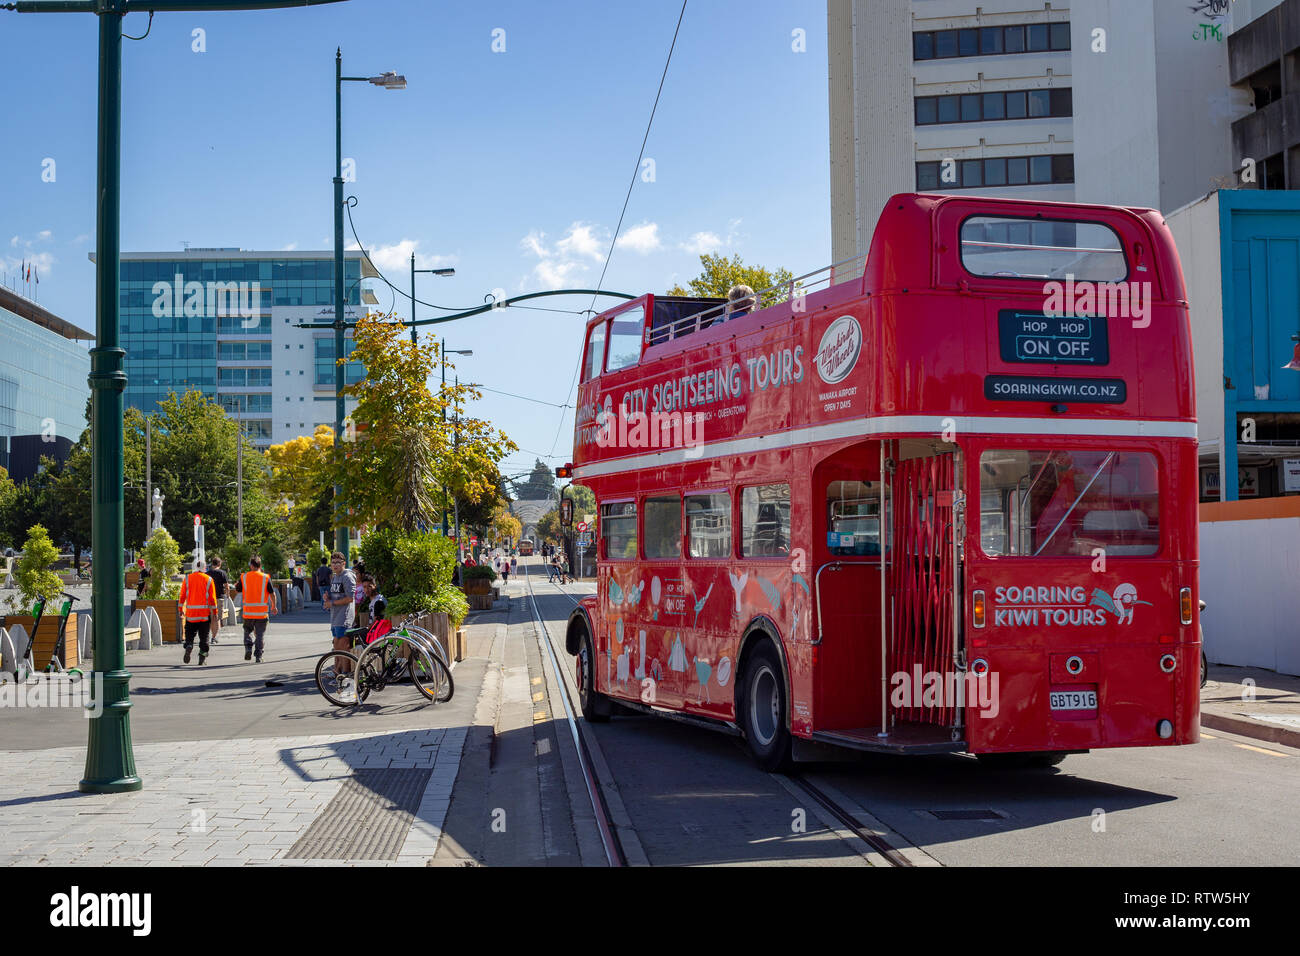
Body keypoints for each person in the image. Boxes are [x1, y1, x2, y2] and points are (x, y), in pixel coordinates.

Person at [236, 554, 278, 663]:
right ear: (260, 565)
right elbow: (272, 594)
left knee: (247, 631)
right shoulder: (265, 577)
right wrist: (274, 606)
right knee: (260, 635)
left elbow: (238, 589)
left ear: (251, 565)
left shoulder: (244, 577)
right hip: (261, 613)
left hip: (248, 613)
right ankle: (259, 656)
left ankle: (248, 648)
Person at [180, 558, 218, 665]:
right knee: (204, 637)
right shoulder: (209, 580)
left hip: (191, 615)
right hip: (204, 615)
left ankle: (189, 645)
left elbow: (182, 596)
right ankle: (202, 656)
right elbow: (213, 599)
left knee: (189, 634)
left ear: (195, 568)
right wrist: (215, 612)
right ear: (205, 568)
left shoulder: (187, 579)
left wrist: (180, 609)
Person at [326, 552, 357, 675]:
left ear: (344, 563)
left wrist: (332, 603)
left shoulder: (347, 576)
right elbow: (336, 596)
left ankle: (346, 673)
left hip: (344, 617)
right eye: (333, 563)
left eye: (338, 562)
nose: (335, 565)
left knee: (343, 647)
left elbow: (350, 598)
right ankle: (337, 671)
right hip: (335, 617)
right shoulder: (335, 577)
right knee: (337, 646)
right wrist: (328, 598)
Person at [206, 556, 228, 643]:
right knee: (217, 618)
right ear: (219, 564)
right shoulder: (222, 573)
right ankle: (213, 637)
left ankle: (207, 636)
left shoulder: (207, 573)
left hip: (209, 598)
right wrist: (228, 594)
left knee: (210, 618)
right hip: (219, 598)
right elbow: (226, 586)